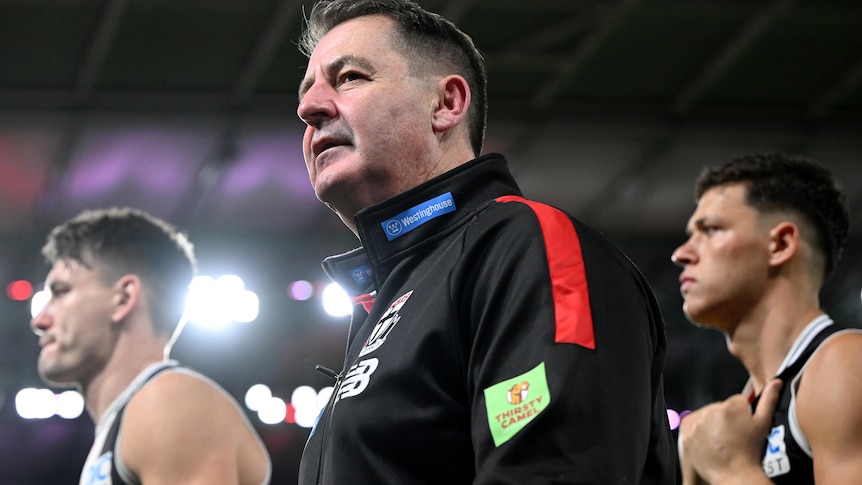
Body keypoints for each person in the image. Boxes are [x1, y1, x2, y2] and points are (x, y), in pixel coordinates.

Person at [295, 0, 678, 483]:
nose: (309, 109)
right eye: (307, 93)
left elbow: (554, 471)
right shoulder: (393, 297)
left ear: (446, 104)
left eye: (349, 77)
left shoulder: (521, 245)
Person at [31, 207, 271, 485]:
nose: (40, 320)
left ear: (123, 299)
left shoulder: (169, 401)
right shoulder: (128, 422)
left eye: (60, 292)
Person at [672, 153, 862, 484]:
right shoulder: (738, 417)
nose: (681, 254)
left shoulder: (844, 363)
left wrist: (732, 471)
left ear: (780, 244)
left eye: (712, 229)